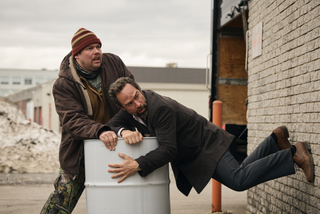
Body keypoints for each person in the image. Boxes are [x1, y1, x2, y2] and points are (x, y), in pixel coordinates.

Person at [104, 77, 314, 197]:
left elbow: (169, 149)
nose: (137, 104)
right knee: (239, 174)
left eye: (137, 96)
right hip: (196, 152)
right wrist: (125, 132)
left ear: (140, 90)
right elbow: (112, 124)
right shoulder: (130, 111)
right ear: (122, 106)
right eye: (130, 103)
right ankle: (274, 141)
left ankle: (294, 153)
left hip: (208, 144)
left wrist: (137, 164)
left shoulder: (159, 108)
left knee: (239, 181)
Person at [41, 28, 133, 213]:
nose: (97, 51)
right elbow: (72, 119)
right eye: (90, 48)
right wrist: (100, 131)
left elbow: (132, 93)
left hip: (119, 145)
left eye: (98, 46)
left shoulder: (114, 63)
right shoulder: (64, 84)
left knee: (121, 202)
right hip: (79, 152)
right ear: (77, 56)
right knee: (60, 201)